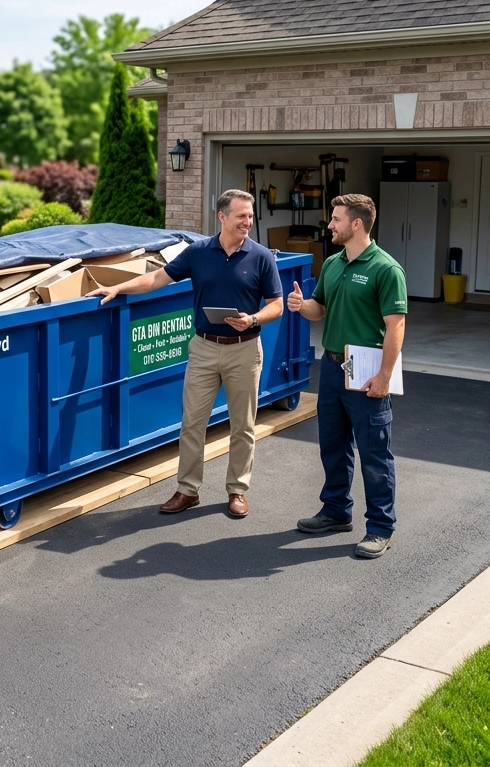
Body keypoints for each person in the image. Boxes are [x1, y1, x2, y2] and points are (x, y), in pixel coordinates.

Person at [90, 189, 283, 518]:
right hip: (204, 348)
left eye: (250, 216)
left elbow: (276, 305)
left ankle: (237, 490)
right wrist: (118, 288)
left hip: (245, 349)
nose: (247, 222)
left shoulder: (261, 256)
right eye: (241, 216)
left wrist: (252, 319)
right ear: (222, 216)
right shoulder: (198, 252)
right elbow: (156, 278)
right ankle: (187, 490)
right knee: (192, 423)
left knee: (243, 425)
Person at [287, 193, 406, 559]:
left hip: (367, 370)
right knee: (333, 445)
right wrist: (302, 306)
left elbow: (396, 325)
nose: (330, 225)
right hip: (332, 367)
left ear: (356, 223)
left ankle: (381, 527)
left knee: (374, 452)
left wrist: (384, 375)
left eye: (336, 219)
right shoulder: (333, 263)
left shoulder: (386, 269)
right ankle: (337, 510)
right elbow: (320, 309)